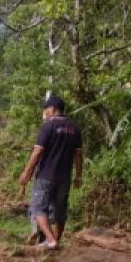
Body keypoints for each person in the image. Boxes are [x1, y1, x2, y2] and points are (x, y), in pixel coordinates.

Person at [19, 95, 82, 250]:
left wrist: (27, 172)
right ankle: (55, 240)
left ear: (53, 109)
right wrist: (78, 175)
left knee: (38, 207)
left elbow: (37, 152)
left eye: (46, 110)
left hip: (46, 176)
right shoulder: (74, 129)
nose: (45, 113)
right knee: (60, 210)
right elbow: (78, 155)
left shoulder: (48, 127)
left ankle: (51, 240)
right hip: (65, 178)